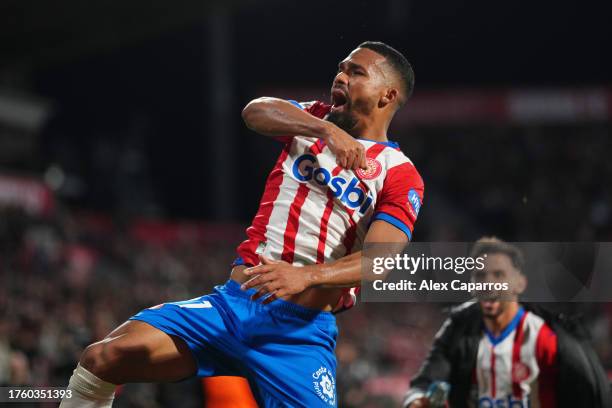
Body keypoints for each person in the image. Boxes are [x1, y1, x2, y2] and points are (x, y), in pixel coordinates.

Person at [60, 41, 424, 407]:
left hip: (298, 334)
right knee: (103, 358)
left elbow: (380, 261)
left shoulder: (400, 174)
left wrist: (307, 276)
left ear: (388, 94)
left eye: (356, 72)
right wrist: (324, 130)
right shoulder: (313, 120)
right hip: (232, 307)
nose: (341, 76)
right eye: (341, 68)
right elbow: (255, 111)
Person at [403, 237, 611, 408]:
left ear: (519, 283)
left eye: (498, 275)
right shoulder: (458, 330)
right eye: (480, 275)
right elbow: (427, 378)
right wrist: (417, 400)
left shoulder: (548, 337)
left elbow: (592, 392)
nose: (488, 283)